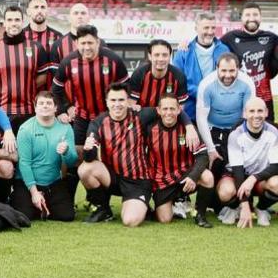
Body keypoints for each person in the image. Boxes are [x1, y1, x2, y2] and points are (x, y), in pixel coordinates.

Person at [79, 83, 199, 227]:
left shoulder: (141, 115)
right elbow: (89, 158)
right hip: (112, 178)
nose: (117, 104)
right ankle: (103, 209)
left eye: (121, 100)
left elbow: (170, 110)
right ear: (106, 102)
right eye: (113, 100)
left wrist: (189, 126)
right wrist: (87, 150)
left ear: (128, 101)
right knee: (85, 169)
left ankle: (140, 205)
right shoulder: (98, 122)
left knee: (131, 221)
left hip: (137, 182)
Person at [52, 25, 128, 197]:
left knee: (107, 159)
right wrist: (63, 110)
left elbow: (126, 88)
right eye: (83, 43)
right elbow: (56, 89)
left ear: (98, 42)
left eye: (90, 43)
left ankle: (101, 201)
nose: (87, 47)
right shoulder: (68, 62)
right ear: (77, 43)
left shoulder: (113, 59)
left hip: (108, 120)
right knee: (75, 158)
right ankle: (68, 200)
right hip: (82, 118)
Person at [0, 5, 50, 133]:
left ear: (23, 22)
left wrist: (27, 87)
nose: (13, 23)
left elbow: (43, 77)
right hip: (1, 110)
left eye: (17, 20)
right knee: (3, 150)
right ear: (4, 23)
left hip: (28, 111)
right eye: (10, 20)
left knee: (25, 151)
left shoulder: (37, 48)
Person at [146, 94, 213, 228]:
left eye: (172, 109)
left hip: (184, 174)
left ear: (178, 110)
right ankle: (170, 204)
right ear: (158, 111)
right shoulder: (150, 129)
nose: (168, 113)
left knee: (208, 177)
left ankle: (199, 214)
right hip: (162, 181)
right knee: (165, 219)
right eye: (165, 109)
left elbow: (203, 155)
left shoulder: (188, 129)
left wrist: (193, 177)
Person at [11, 91, 77, 222]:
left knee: (67, 216)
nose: (45, 106)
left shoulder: (65, 128)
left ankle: (43, 205)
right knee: (25, 216)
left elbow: (71, 162)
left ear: (56, 108)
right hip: (27, 183)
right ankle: (25, 199)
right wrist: (34, 192)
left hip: (52, 182)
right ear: (35, 108)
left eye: (49, 103)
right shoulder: (26, 129)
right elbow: (24, 163)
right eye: (41, 103)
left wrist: (66, 152)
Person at [196, 53, 256, 187]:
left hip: (237, 128)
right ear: (217, 68)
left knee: (239, 165)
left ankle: (240, 200)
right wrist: (210, 148)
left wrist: (242, 139)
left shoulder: (247, 83)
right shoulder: (206, 84)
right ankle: (208, 203)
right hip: (212, 128)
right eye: (223, 70)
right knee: (213, 163)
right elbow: (201, 118)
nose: (227, 75)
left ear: (238, 69)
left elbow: (249, 113)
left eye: (232, 71)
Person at [217, 97, 278, 227]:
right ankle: (235, 208)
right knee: (225, 191)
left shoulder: (274, 133)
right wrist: (244, 205)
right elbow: (238, 171)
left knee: (277, 183)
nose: (256, 115)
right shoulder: (236, 135)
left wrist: (253, 178)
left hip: (260, 179)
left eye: (260, 111)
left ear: (266, 112)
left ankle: (261, 208)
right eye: (252, 111)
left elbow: (276, 166)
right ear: (245, 113)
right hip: (236, 177)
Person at [220, 1, 278, 120]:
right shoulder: (230, 37)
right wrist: (186, 44)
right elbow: (209, 44)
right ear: (241, 18)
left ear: (260, 17)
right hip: (240, 98)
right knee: (239, 134)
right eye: (247, 15)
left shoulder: (271, 38)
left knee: (269, 134)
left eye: (255, 15)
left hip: (264, 99)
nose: (251, 18)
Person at [172, 12, 229, 122]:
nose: (210, 32)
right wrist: (203, 92)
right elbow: (178, 82)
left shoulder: (224, 50)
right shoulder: (183, 52)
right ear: (196, 28)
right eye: (206, 28)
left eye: (213, 28)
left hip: (217, 111)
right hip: (190, 112)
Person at [129, 39, 188, 108]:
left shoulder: (179, 76)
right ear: (150, 56)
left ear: (170, 56)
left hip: (168, 114)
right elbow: (131, 105)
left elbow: (181, 108)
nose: (161, 59)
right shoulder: (139, 74)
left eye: (165, 55)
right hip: (144, 113)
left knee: (185, 118)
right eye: (157, 55)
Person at [49, 2, 91, 67]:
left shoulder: (100, 44)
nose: (79, 16)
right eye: (76, 13)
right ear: (69, 18)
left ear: (89, 18)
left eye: (83, 13)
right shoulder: (58, 45)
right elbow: (56, 74)